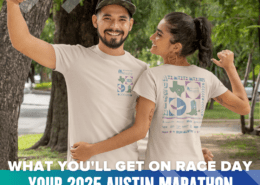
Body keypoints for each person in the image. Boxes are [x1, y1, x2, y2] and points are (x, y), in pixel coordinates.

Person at [7, 0, 213, 169]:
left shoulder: (143, 70)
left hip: (125, 171)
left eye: (122, 20)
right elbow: (22, 42)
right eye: (107, 18)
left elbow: (160, 121)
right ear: (95, 21)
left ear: (130, 25)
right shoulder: (73, 58)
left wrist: (190, 153)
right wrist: (12, 4)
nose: (115, 26)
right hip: (83, 170)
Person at [70, 12, 250, 170]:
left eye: (159, 34)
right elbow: (243, 107)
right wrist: (230, 67)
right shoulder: (205, 77)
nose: (151, 37)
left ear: (176, 46)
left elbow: (139, 131)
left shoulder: (153, 76)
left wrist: (92, 150)